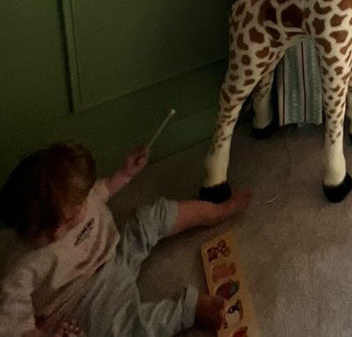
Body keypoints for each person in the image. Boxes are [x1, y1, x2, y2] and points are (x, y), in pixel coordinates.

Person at [0, 142, 250, 337]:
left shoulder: (80, 196)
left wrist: (125, 173)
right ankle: (187, 311)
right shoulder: (20, 268)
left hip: (114, 254)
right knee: (128, 329)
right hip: (82, 304)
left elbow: (105, 188)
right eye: (39, 234)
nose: (56, 235)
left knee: (150, 218)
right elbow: (11, 323)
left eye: (70, 218)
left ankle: (214, 212)